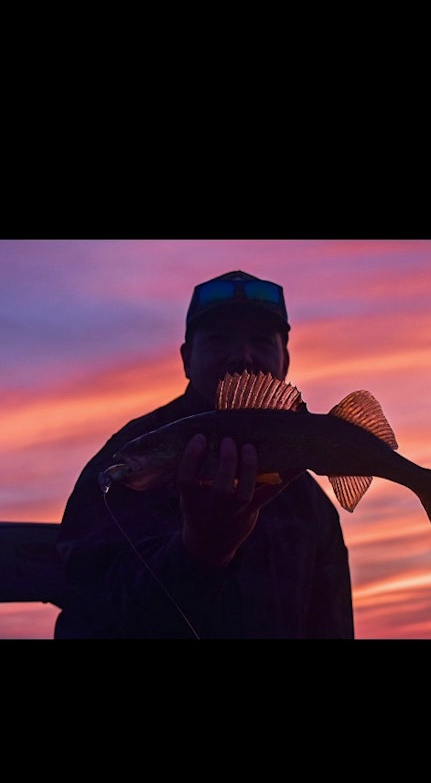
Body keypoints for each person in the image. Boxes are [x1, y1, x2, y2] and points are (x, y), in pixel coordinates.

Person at [54, 270, 355, 639]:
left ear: (285, 362)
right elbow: (93, 608)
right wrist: (200, 552)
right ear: (186, 359)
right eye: (218, 338)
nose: (242, 355)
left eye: (261, 341)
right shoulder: (132, 459)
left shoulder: (311, 503)